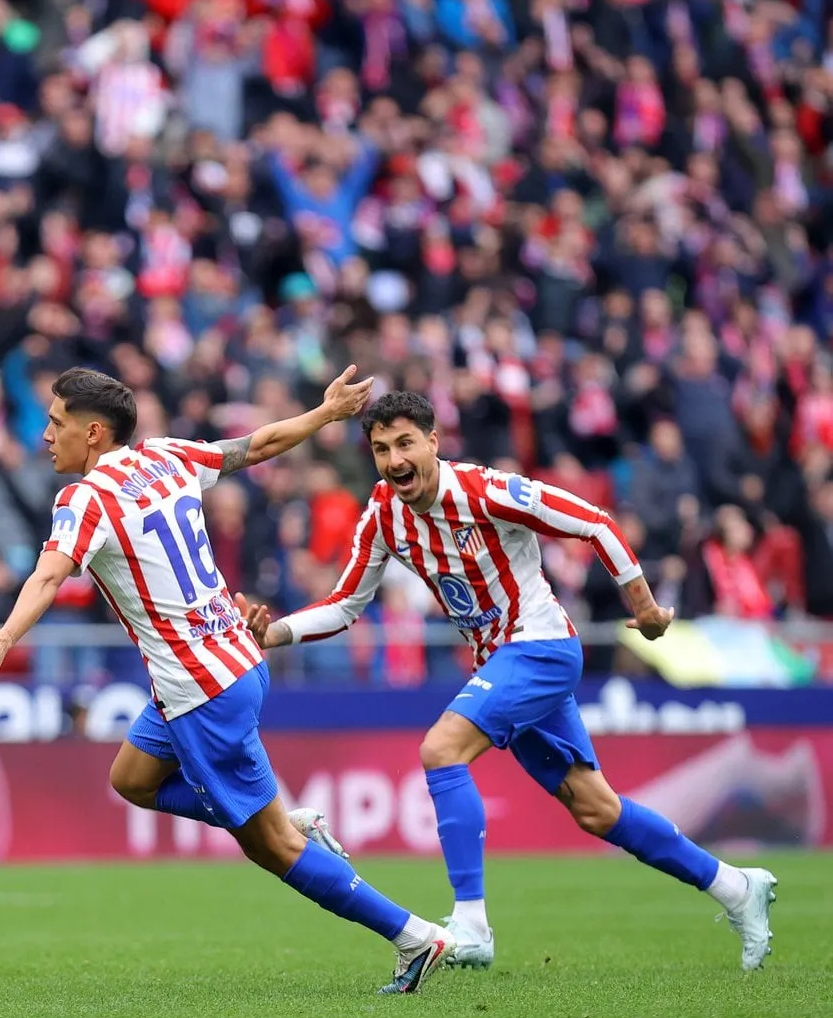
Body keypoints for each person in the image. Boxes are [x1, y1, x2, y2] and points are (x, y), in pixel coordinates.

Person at [238, 392, 778, 972]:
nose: (394, 461)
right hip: (500, 662)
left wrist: (644, 607)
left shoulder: (486, 490)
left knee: (441, 748)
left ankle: (471, 923)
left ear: (433, 442)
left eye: (404, 444)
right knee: (597, 810)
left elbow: (593, 522)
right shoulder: (384, 514)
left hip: (540, 648)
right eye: (380, 449)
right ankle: (735, 887)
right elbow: (346, 605)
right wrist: (278, 634)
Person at [0, 367, 455, 994]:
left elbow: (47, 576)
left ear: (92, 434)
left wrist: (5, 636)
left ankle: (414, 936)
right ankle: (275, 815)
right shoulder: (168, 456)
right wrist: (325, 414)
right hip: (232, 663)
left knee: (273, 849)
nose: (45, 436)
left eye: (56, 423)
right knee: (133, 778)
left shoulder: (84, 499)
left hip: (202, 691)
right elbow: (258, 445)